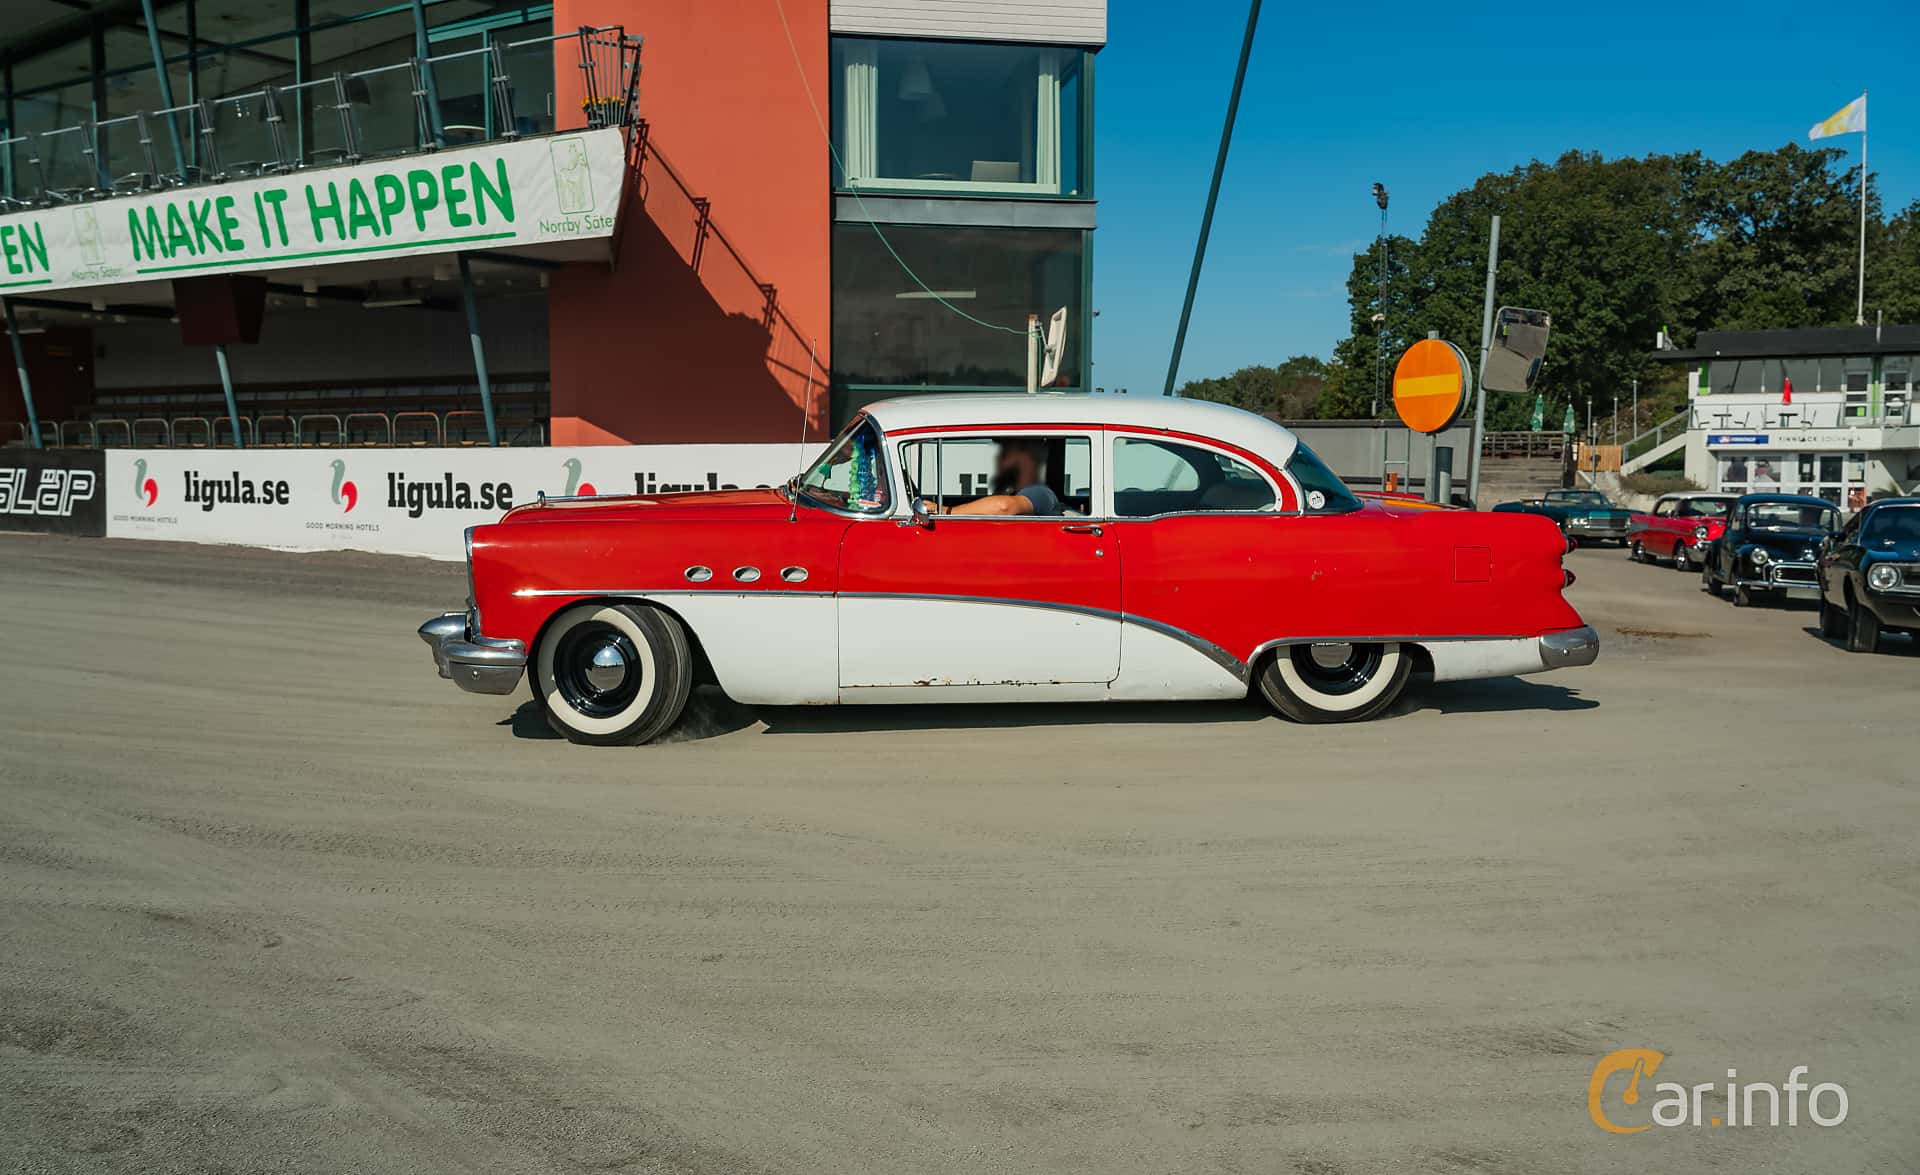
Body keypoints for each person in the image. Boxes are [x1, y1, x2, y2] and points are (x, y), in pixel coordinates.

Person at [922, 438, 1061, 516]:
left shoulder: (1039, 492)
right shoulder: (1018, 493)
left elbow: (1003, 507)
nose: (999, 459)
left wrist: (947, 511)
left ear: (1026, 457)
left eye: (1006, 453)